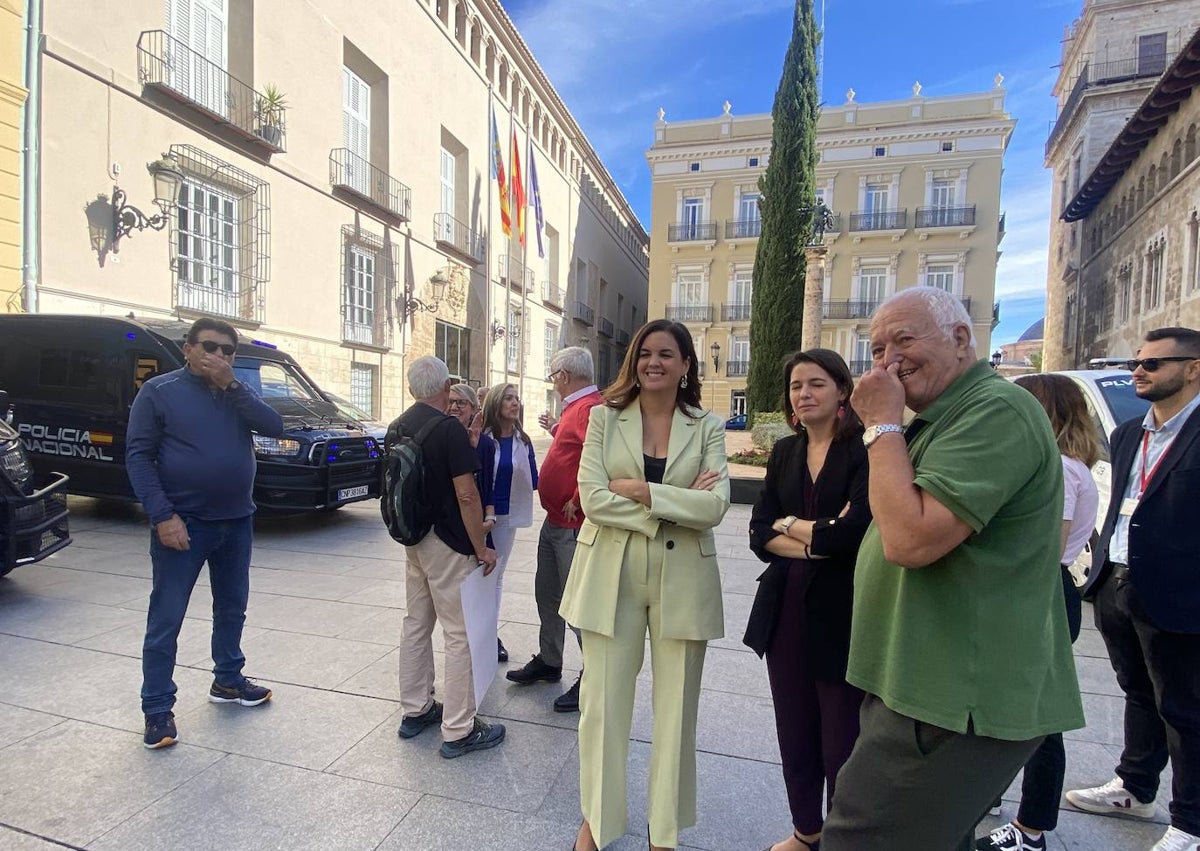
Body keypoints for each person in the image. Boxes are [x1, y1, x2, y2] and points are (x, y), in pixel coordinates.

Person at [820, 286, 1084, 851]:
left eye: (904, 339)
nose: (887, 359)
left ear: (961, 339)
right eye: (876, 348)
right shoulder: (949, 414)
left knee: (859, 839)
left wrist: (882, 425)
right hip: (924, 687)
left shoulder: (996, 410)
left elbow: (910, 540)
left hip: (951, 700)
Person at [561, 319, 731, 851]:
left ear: (685, 365)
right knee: (603, 705)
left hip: (685, 578)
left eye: (666, 354)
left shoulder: (707, 426)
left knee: (677, 709)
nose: (653, 362)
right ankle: (598, 818)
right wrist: (672, 503)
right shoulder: (604, 419)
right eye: (644, 354)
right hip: (610, 573)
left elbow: (715, 506)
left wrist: (640, 491)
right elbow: (592, 497)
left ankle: (665, 829)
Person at [1068, 327, 1200, 851]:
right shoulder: (1127, 434)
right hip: (1117, 579)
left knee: (1185, 709)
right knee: (1137, 691)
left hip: (1179, 590)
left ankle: (1190, 822)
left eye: (1153, 363)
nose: (1138, 371)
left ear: (1192, 368)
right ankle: (1135, 786)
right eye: (1136, 361)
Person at [127, 317, 285, 750]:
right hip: (184, 524)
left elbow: (274, 426)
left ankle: (228, 681)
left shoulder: (235, 391)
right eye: (210, 347)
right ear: (188, 349)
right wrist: (163, 516)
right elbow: (138, 458)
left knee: (232, 608)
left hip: (236, 520)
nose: (219, 357)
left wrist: (232, 386)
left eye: (227, 351)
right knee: (167, 617)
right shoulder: (158, 392)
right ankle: (157, 708)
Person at [744, 349, 872, 851]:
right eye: (797, 385)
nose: (804, 394)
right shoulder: (784, 453)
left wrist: (791, 526)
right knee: (794, 728)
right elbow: (758, 533)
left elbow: (855, 533)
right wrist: (817, 531)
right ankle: (806, 831)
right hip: (786, 609)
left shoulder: (863, 449)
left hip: (842, 608)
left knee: (841, 736)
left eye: (816, 383)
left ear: (842, 390)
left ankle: (841, 836)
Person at [976, 373, 1101, 851]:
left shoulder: (1062, 470)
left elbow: (1044, 547)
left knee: (1037, 721)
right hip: (1037, 593)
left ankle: (1031, 829)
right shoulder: (1058, 465)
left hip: (1038, 594)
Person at [389, 356, 504, 759]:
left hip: (414, 540)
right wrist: (481, 547)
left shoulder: (397, 425)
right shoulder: (449, 429)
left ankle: (415, 708)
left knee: (415, 624)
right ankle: (458, 728)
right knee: (460, 633)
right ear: (445, 388)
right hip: (449, 543)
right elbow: (467, 495)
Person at [506, 346, 603, 713]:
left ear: (563, 375)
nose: (554, 382)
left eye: (553, 376)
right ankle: (550, 660)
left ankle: (593, 677)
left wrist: (578, 496)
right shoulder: (579, 408)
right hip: (556, 522)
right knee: (547, 594)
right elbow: (575, 447)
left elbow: (602, 456)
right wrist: (557, 428)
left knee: (576, 604)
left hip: (574, 524)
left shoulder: (592, 407)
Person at [479, 382, 538, 664]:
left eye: (517, 398)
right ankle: (480, 632)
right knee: (477, 576)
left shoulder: (522, 441)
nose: (515, 403)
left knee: (496, 576)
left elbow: (535, 479)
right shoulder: (483, 438)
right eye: (508, 398)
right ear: (495, 404)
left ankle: (490, 635)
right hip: (480, 517)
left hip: (507, 517)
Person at [448, 382, 496, 549]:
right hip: (446, 524)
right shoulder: (438, 439)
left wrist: (490, 517)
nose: (454, 407)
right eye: (450, 402)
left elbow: (487, 484)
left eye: (461, 402)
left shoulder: (486, 444)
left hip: (475, 518)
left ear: (474, 409)